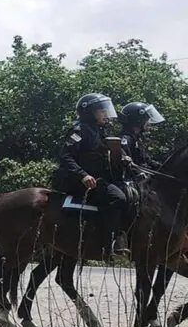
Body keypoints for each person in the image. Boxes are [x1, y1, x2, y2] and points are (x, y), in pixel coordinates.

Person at [50, 92, 128, 258]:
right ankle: (109, 242)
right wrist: (82, 175)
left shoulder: (99, 131)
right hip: (77, 180)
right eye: (102, 110)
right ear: (90, 112)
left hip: (97, 179)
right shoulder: (79, 130)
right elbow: (65, 156)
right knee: (118, 198)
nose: (105, 114)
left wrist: (124, 157)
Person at [118, 102, 165, 172]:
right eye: (147, 120)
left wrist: (162, 167)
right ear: (139, 120)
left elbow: (145, 159)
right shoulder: (126, 138)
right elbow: (125, 162)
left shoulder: (136, 138)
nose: (148, 123)